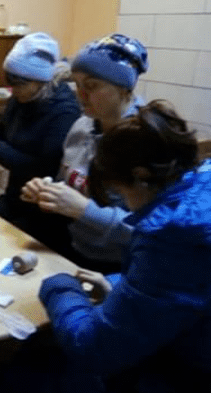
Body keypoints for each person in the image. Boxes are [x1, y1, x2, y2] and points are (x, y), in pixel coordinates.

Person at [39, 100, 211, 392]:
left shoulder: (173, 236)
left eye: (120, 191)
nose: (127, 207)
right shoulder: (201, 181)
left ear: (141, 176)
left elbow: (92, 349)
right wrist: (118, 283)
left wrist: (59, 286)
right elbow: (184, 287)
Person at [20, 34, 148, 270]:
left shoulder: (146, 141)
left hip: (119, 264)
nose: (81, 96)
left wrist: (83, 209)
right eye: (77, 85)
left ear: (124, 89)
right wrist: (47, 191)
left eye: (91, 86)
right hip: (74, 245)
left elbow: (152, 231)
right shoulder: (82, 125)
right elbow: (68, 181)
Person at [0, 32, 80, 225]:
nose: (14, 91)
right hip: (15, 198)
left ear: (40, 81)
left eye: (19, 85)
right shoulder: (20, 99)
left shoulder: (64, 113)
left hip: (44, 211)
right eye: (11, 84)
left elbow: (41, 170)